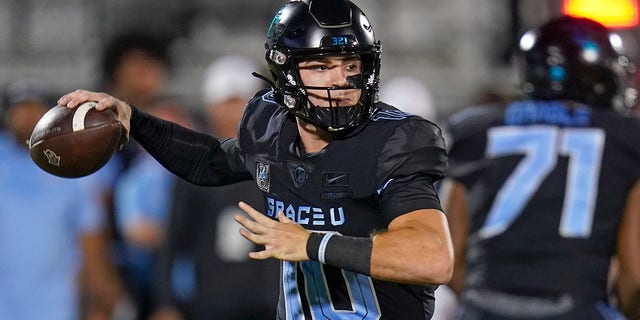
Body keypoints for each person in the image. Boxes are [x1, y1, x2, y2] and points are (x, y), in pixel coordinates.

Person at [58, 0, 454, 318]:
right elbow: (211, 160)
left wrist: (313, 244)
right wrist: (134, 119)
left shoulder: (393, 140)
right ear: (285, 74)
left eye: (352, 66)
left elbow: (432, 257)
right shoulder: (271, 128)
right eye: (321, 67)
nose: (342, 82)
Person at [442, 16, 640, 319]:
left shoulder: (475, 129)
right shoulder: (625, 138)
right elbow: (634, 278)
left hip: (484, 310)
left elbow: (451, 258)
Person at [150, 55, 279, 320]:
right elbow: (174, 238)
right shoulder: (194, 165)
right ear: (210, 107)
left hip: (272, 301)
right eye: (225, 103)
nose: (234, 112)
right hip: (213, 300)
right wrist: (165, 303)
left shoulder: (283, 161)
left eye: (241, 101)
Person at [0, 79, 123, 320]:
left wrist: (99, 297)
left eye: (33, 108)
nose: (26, 116)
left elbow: (91, 237)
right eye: (19, 109)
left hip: (54, 304)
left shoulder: (72, 166)